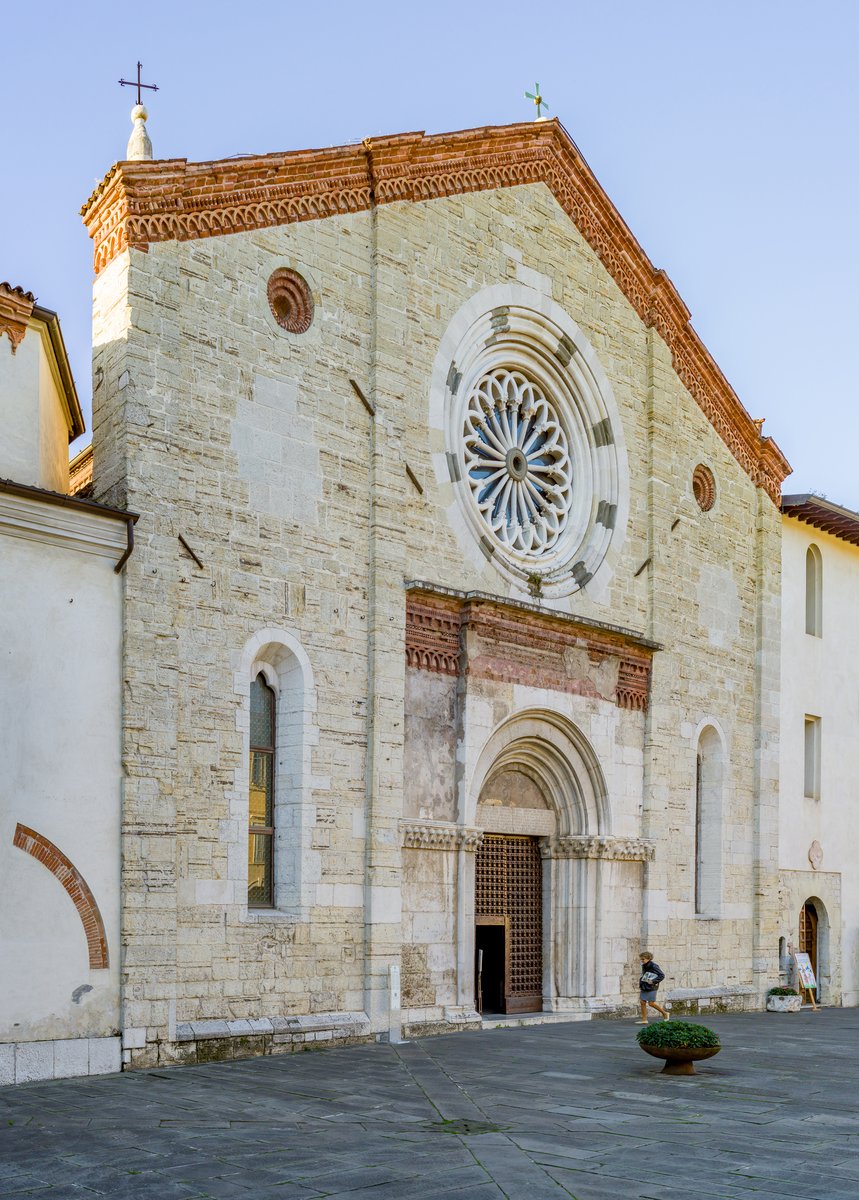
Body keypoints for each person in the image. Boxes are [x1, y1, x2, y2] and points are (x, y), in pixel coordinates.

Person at [637, 951, 669, 1023]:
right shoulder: (644, 965)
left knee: (651, 1003)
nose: (642, 961)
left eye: (643, 959)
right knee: (642, 1002)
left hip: (651, 986)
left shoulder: (654, 965)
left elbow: (662, 975)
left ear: (648, 958)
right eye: (641, 959)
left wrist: (653, 981)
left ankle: (665, 1013)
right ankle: (644, 1020)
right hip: (645, 985)